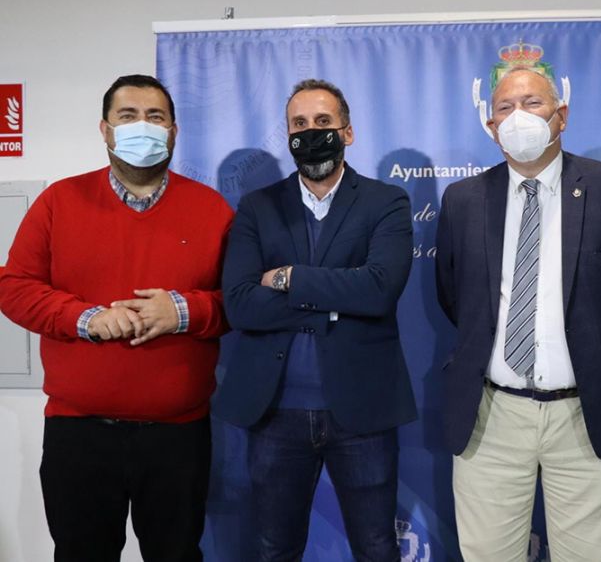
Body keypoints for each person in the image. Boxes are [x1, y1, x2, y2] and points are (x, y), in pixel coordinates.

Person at [0, 74, 233, 561]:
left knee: (176, 553)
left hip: (178, 437)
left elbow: (241, 301)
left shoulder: (211, 209)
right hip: (79, 434)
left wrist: (184, 311)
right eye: (128, 117)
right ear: (105, 130)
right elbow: (14, 288)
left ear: (173, 131)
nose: (142, 127)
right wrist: (86, 318)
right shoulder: (58, 203)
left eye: (155, 117)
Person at [435, 67, 601, 561]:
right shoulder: (463, 201)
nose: (518, 117)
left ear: (562, 116)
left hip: (585, 409)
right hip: (491, 414)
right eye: (505, 108)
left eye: (532, 103)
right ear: (490, 127)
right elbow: (455, 298)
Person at [213, 79, 417, 561]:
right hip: (275, 412)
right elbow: (240, 303)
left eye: (323, 122)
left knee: (375, 547)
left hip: (362, 410)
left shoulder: (386, 201)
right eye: (299, 124)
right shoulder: (257, 207)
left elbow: (379, 291)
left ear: (347, 132)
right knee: (274, 548)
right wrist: (335, 295)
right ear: (286, 135)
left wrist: (287, 278)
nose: (311, 133)